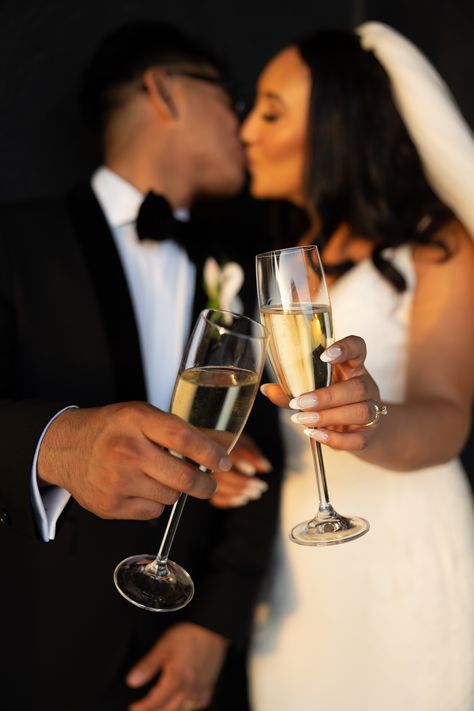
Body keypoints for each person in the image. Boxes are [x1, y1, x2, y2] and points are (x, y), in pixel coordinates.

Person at [0, 21, 283, 710]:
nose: (243, 128)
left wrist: (215, 623)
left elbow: (271, 454)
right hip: (39, 653)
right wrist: (57, 444)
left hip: (197, 668)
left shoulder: (253, 260)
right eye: (232, 101)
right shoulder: (12, 243)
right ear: (166, 91)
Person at [240, 21, 474, 711]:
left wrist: (366, 422)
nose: (247, 129)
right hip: (293, 568)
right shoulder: (280, 254)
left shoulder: (438, 248)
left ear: (340, 125)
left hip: (399, 550)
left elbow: (448, 416)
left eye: (271, 111)